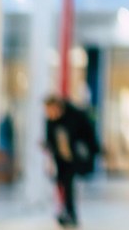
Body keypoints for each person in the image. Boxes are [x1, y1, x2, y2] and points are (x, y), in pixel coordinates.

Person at [44, 95, 97, 227]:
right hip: (61, 158)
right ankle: (66, 212)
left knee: (68, 184)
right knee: (62, 184)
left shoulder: (75, 116)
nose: (48, 114)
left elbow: (88, 134)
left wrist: (89, 151)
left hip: (74, 158)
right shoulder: (50, 121)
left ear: (56, 107)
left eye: (50, 110)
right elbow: (50, 139)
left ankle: (71, 214)